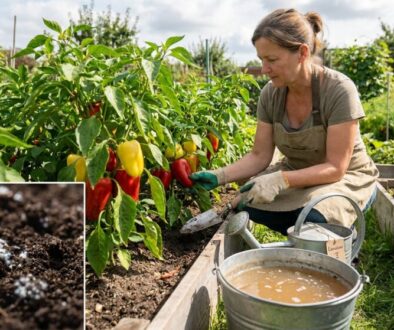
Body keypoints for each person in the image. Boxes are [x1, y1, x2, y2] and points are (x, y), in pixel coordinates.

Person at [190, 8, 378, 235]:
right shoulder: (271, 94)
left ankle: (337, 246)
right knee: (246, 204)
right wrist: (220, 176)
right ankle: (302, 241)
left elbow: (335, 168)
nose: (264, 69)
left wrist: (281, 180)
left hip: (346, 178)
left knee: (314, 217)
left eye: (272, 59)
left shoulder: (338, 90)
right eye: (261, 59)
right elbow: (259, 156)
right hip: (298, 175)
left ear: (302, 53)